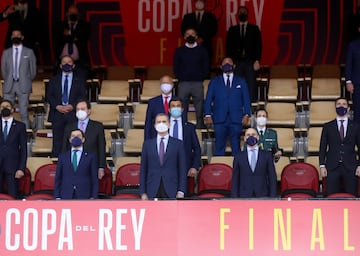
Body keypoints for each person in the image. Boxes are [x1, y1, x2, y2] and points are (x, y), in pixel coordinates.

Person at [204, 57, 251, 156]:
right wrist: (207, 114)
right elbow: (208, 99)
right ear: (221, 67)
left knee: (236, 149)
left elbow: (246, 99)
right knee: (219, 148)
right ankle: (219, 170)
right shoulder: (214, 81)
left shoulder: (241, 81)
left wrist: (247, 114)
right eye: (225, 63)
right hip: (219, 119)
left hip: (236, 119)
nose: (227, 65)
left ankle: (237, 170)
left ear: (234, 66)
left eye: (229, 63)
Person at [140, 113, 187, 199]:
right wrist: (143, 192)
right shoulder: (147, 144)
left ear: (169, 125)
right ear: (154, 125)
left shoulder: (178, 144)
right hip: (152, 189)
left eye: (164, 121)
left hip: (172, 188)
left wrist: (181, 191)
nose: (161, 124)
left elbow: (182, 169)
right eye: (158, 122)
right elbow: (143, 169)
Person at [319, 97, 360, 196]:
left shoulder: (356, 126)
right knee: (331, 196)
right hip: (332, 166)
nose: (341, 106)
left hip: (351, 167)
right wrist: (322, 165)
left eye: (344, 104)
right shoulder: (327, 126)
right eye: (339, 104)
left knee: (351, 196)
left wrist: (359, 165)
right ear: (335, 107)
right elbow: (322, 147)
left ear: (348, 108)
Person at [47, 55, 86, 157]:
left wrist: (73, 106)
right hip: (57, 115)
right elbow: (49, 96)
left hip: (72, 114)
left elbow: (82, 96)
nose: (66, 64)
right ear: (60, 65)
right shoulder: (54, 80)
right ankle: (55, 164)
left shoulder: (80, 80)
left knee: (72, 141)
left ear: (73, 65)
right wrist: (57, 106)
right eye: (64, 62)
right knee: (57, 143)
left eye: (69, 62)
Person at [174, 27, 209, 128]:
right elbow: (176, 67)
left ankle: (200, 125)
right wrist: (181, 77)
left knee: (199, 106)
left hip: (197, 83)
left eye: (193, 34)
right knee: (182, 106)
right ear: (184, 37)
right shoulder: (179, 51)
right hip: (183, 83)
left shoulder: (202, 50)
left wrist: (201, 77)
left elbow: (206, 66)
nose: (190, 36)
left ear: (196, 36)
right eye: (188, 34)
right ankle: (182, 126)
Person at [1, 29, 36, 129]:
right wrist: (8, 79)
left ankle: (25, 136)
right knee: (5, 112)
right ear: (11, 37)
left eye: (18, 35)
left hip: (23, 85)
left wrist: (26, 80)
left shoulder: (29, 52)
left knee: (24, 113)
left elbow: (33, 71)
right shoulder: (6, 52)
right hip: (9, 85)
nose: (16, 36)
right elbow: (4, 70)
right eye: (14, 35)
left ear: (22, 37)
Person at [62, 99, 106, 180]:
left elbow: (101, 147)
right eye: (78, 109)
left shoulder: (97, 126)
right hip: (73, 165)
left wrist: (101, 167)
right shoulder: (69, 127)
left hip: (91, 165)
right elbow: (65, 147)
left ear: (89, 111)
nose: (80, 111)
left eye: (83, 109)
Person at [226, 5, 262, 103]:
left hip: (250, 61)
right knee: (236, 84)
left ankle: (250, 107)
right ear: (237, 15)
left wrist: (257, 60)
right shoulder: (232, 30)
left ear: (248, 14)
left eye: (244, 12)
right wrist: (230, 62)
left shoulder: (254, 29)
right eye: (240, 13)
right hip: (236, 62)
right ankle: (237, 104)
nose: (242, 14)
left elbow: (258, 46)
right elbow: (229, 47)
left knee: (251, 84)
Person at [231, 128, 277, 198]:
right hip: (244, 196)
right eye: (248, 135)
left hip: (263, 195)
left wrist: (273, 197)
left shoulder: (267, 155)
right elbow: (235, 179)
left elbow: (272, 177)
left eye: (253, 134)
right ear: (245, 138)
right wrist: (234, 198)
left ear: (258, 137)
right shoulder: (238, 156)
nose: (251, 137)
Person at [169, 97, 201, 193]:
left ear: (182, 109)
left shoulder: (189, 127)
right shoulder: (163, 126)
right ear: (169, 109)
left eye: (178, 106)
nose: (176, 108)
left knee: (183, 197)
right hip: (167, 168)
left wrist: (194, 166)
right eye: (173, 106)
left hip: (185, 168)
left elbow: (197, 149)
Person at [54, 129, 98, 199]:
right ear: (70, 139)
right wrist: (57, 196)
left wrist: (93, 196)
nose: (75, 138)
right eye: (73, 136)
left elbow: (94, 179)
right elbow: (58, 178)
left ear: (83, 139)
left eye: (78, 136)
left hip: (84, 194)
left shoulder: (91, 156)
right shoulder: (62, 156)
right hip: (66, 194)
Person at [0, 99, 27, 199]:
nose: (4, 108)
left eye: (7, 106)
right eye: (2, 107)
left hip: (13, 167)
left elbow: (24, 149)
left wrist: (21, 168)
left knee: (12, 196)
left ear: (12, 109)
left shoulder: (20, 126)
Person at [54, 4, 91, 71]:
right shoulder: (60, 25)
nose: (73, 15)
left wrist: (68, 34)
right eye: (71, 13)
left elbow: (83, 38)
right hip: (62, 61)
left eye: (75, 13)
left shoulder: (85, 25)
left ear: (78, 14)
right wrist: (74, 38)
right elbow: (60, 39)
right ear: (67, 13)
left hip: (80, 61)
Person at [144, 75, 175, 140]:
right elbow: (148, 123)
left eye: (168, 83)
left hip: (173, 137)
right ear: (160, 85)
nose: (165, 85)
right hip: (156, 137)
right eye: (163, 83)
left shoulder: (178, 101)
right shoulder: (152, 102)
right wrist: (147, 142)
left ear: (172, 85)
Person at [345, 34, 360, 123]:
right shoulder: (353, 45)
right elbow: (349, 64)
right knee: (358, 111)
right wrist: (348, 81)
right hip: (358, 84)